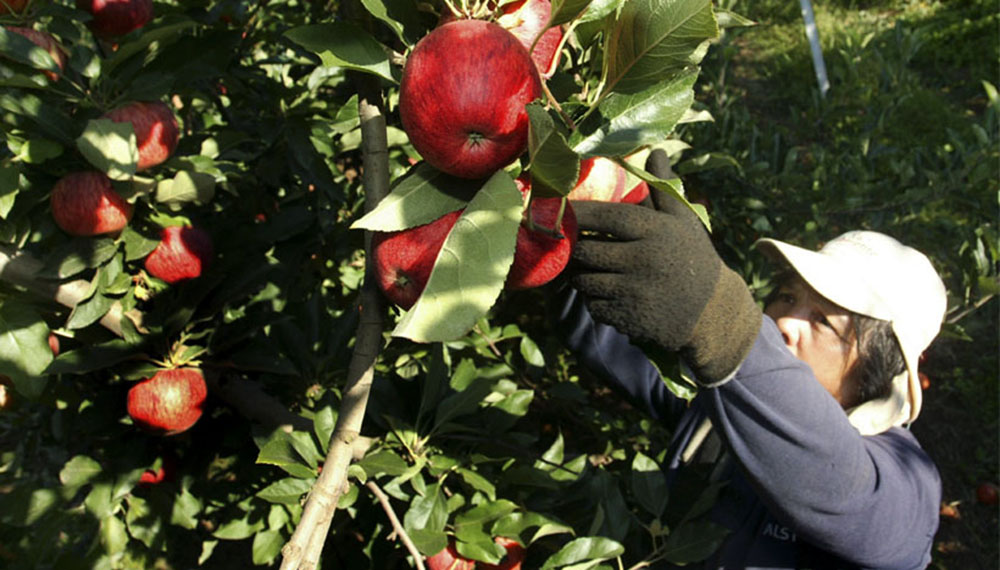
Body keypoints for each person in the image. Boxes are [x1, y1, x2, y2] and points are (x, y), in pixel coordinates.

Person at [556, 150, 947, 568]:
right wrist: (578, 222)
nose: (783, 322)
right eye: (786, 297)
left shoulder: (905, 486)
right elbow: (603, 336)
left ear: (879, 373)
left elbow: (839, 490)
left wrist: (718, 318)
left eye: (823, 322)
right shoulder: (721, 407)